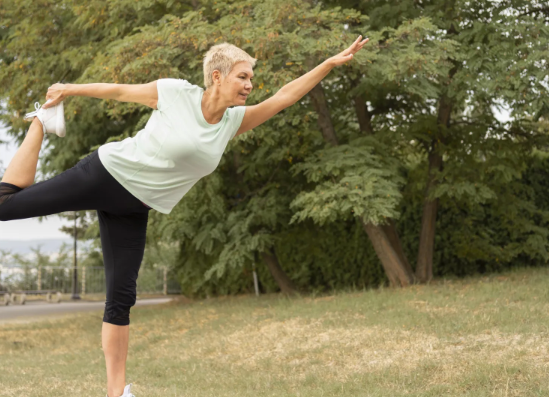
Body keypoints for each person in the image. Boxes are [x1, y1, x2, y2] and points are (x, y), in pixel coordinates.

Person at [0, 36, 368, 397]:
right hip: (105, 174)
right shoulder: (175, 93)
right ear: (218, 76)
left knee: (122, 297)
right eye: (243, 76)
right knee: (5, 206)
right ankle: (41, 120)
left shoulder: (232, 123)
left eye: (250, 78)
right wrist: (70, 90)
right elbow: (117, 91)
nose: (250, 85)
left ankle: (115, 392)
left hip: (135, 207)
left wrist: (329, 64)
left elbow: (284, 97)